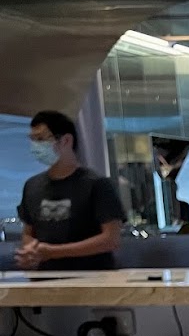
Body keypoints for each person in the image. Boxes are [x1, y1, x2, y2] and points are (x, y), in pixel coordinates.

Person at [15, 110, 126, 271]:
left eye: (41, 139)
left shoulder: (96, 184)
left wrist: (54, 252)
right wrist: (32, 250)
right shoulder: (32, 186)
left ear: (66, 140)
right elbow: (28, 232)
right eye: (32, 140)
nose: (35, 146)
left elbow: (111, 239)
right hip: (45, 277)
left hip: (92, 277)